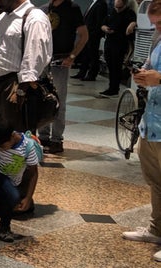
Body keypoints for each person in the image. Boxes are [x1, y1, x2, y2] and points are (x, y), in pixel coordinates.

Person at [0, 0, 52, 210]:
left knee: (19, 145)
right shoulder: (3, 16)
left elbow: (35, 57)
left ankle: (22, 197)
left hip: (17, 87)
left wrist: (21, 91)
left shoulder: (34, 18)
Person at [122, 0, 161, 261]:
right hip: (154, 123)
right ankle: (157, 229)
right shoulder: (158, 40)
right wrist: (144, 74)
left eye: (160, 22)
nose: (157, 27)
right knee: (155, 181)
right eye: (155, 23)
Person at [37, 0, 88, 154]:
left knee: (58, 100)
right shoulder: (44, 9)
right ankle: (43, 135)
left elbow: (84, 35)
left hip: (61, 60)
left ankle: (57, 139)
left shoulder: (72, 8)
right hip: (43, 60)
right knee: (41, 98)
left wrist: (72, 56)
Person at [99, 0, 137, 98]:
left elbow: (133, 22)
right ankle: (111, 87)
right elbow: (103, 25)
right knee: (110, 65)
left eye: (119, 7)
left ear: (124, 4)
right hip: (109, 42)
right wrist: (106, 29)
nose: (117, 9)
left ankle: (114, 88)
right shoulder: (112, 12)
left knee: (116, 67)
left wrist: (131, 26)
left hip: (120, 43)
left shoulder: (129, 13)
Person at [71, 0, 107, 81]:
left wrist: (94, 33)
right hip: (87, 33)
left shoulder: (101, 4)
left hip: (93, 35)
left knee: (93, 55)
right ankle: (82, 72)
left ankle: (92, 74)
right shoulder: (93, 3)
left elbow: (99, 20)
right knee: (85, 54)